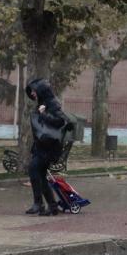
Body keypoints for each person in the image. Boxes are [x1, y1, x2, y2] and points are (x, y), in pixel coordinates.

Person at [24, 79, 73, 216]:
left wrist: (43, 114)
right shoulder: (43, 103)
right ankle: (51, 206)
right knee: (39, 174)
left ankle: (39, 204)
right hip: (42, 146)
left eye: (34, 90)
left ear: (41, 90)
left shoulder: (52, 103)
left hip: (49, 148)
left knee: (34, 170)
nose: (32, 93)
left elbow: (60, 121)